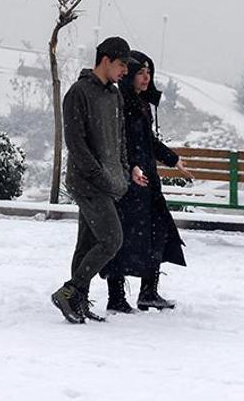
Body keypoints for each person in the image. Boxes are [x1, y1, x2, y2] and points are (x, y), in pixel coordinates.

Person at [100, 50, 194, 314]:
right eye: (140, 73)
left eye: (148, 73)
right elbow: (120, 142)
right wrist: (131, 167)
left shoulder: (140, 103)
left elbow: (147, 140)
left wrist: (172, 159)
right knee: (123, 237)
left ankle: (148, 292)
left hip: (147, 182)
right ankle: (116, 296)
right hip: (128, 184)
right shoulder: (121, 103)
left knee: (157, 233)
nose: (146, 78)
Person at [50, 36, 136, 324]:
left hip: (109, 181)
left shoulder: (114, 95)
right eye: (122, 64)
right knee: (112, 239)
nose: (125, 71)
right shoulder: (78, 93)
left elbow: (120, 138)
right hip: (87, 182)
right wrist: (101, 176)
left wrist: (123, 171)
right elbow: (76, 144)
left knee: (86, 245)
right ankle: (70, 291)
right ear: (106, 60)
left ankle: (78, 302)